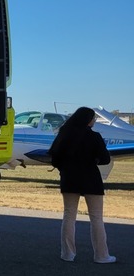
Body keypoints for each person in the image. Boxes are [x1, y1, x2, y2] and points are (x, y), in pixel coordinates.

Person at [48, 106, 115, 263]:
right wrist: (94, 160)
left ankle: (67, 254)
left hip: (69, 179)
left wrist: (65, 168)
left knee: (69, 215)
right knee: (96, 217)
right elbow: (105, 158)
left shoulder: (64, 134)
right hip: (91, 179)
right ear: (88, 120)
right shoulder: (94, 137)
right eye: (93, 118)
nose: (94, 121)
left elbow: (55, 158)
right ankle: (101, 255)